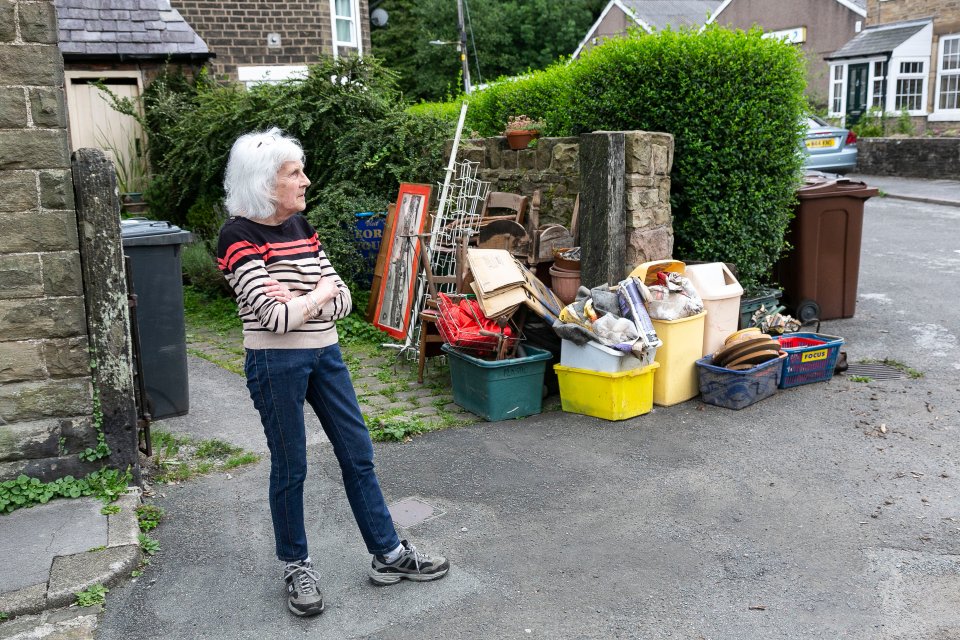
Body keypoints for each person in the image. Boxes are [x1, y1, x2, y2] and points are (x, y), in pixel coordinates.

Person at [216, 128, 449, 617]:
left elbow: (342, 299)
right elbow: (274, 318)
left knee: (358, 452)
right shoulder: (237, 237)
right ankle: (296, 566)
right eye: (293, 173)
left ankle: (388, 555)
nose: (305, 180)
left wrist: (308, 299)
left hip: (326, 352)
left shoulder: (302, 227)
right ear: (264, 183)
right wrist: (316, 294)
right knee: (291, 465)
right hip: (273, 362)